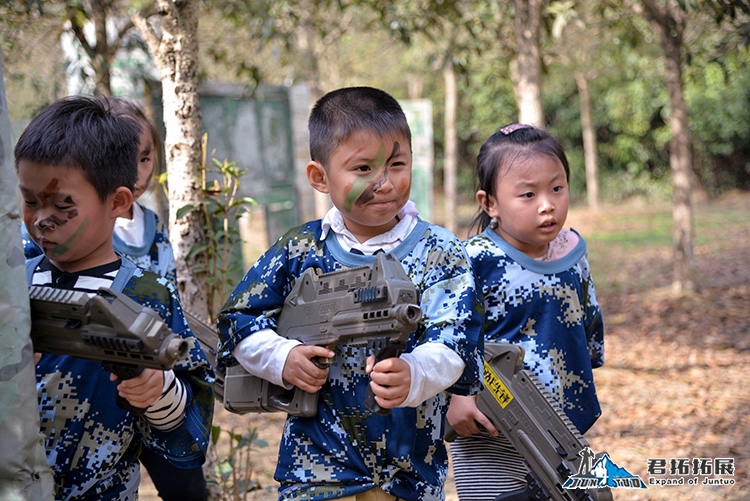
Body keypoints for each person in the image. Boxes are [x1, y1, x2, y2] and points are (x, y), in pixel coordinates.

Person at [216, 86, 483, 501]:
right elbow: (237, 320)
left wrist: (415, 372)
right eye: (362, 168)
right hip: (315, 470)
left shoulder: (439, 251)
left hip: (406, 473)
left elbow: (457, 339)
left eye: (397, 164)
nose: (384, 182)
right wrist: (281, 358)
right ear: (320, 178)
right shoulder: (300, 249)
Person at [15, 95, 214, 500]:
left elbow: (189, 422)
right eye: (30, 200)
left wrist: (158, 389)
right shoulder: (13, 287)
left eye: (62, 204)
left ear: (118, 203)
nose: (40, 218)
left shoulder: (146, 295)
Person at [446, 123, 605, 500]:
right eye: (528, 194)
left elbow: (589, 325)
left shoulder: (572, 253)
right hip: (491, 426)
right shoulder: (474, 261)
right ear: (490, 203)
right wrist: (457, 395)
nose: (547, 204)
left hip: (560, 428)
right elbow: (447, 336)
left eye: (557, 188)